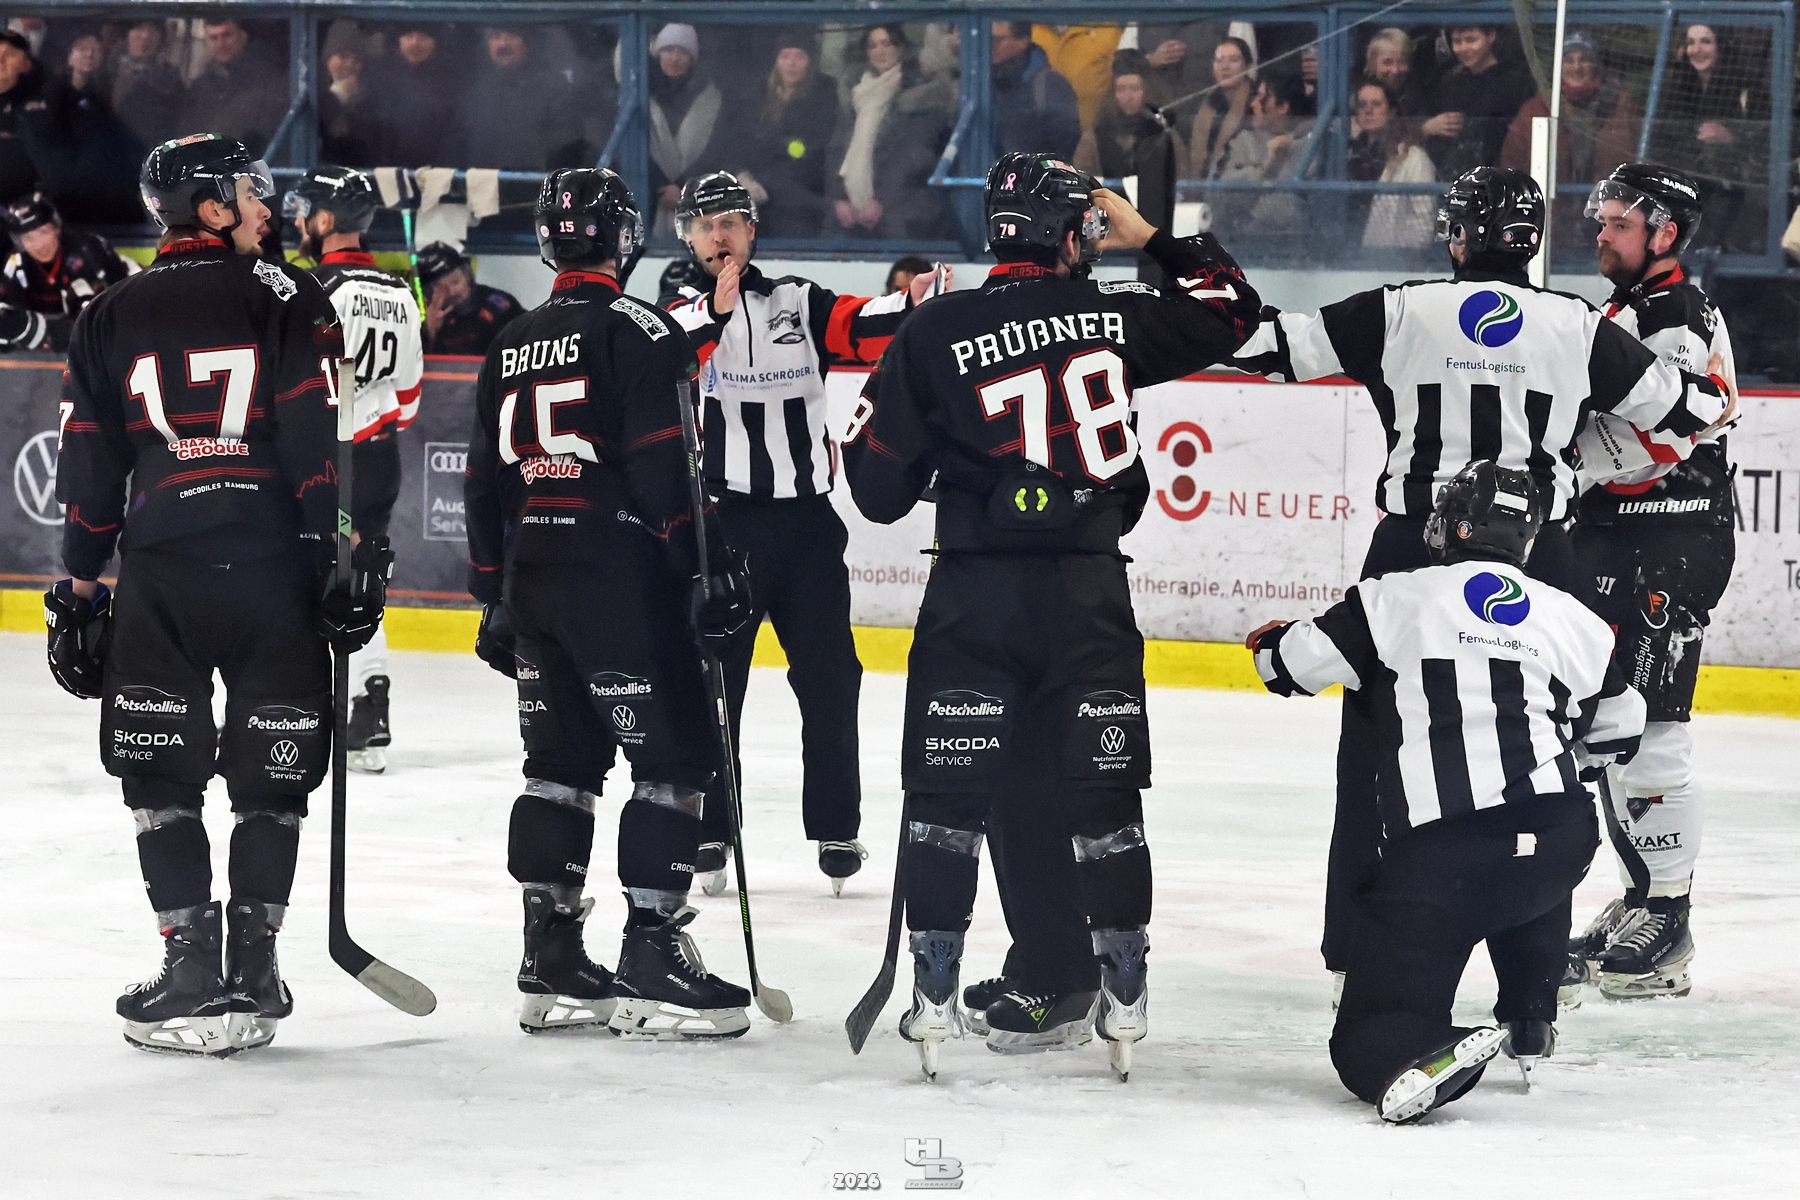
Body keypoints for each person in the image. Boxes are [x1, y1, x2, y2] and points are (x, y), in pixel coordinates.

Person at [1229, 165, 1734, 1002]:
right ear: (1532, 242)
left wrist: (1178, 276)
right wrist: (1572, 454)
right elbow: (1696, 411)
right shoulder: (1577, 324)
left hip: (1414, 551)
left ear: (1457, 237)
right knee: (1550, 753)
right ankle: (1532, 981)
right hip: (1540, 556)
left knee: (1378, 758)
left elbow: (1266, 347)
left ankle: (1361, 954)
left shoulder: (1401, 308)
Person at [841, 152, 1263, 1079]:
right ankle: (1118, 991)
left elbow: (874, 490)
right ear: (1075, 231)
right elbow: (1236, 308)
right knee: (1102, 793)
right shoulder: (1113, 313)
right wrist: (1153, 237)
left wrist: (942, 438)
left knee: (954, 795)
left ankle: (937, 995)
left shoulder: (937, 325)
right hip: (1087, 592)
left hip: (975, 596)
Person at [46, 134, 378, 1057]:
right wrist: (335, 557)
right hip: (272, 568)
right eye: (249, 191)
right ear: (210, 204)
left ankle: (189, 965)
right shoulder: (290, 292)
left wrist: (79, 588)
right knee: (275, 769)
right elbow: (318, 442)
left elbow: (89, 472)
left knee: (159, 770)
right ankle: (255, 968)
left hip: (164, 570)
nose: (266, 207)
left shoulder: (107, 311)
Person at [1246, 460, 1641, 1122]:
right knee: (1528, 861)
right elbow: (1624, 726)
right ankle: (1530, 1013)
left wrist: (1271, 643)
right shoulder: (1572, 616)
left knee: (1367, 1039)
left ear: (1450, 525)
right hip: (1562, 839)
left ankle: (1422, 1045)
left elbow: (1288, 668)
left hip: (1446, 857)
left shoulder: (1393, 598)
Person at [462, 167, 756, 1038]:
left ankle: (549, 952)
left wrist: (490, 593)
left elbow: (482, 481)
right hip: (616, 573)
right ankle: (653, 950)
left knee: (558, 765)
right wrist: (705, 568)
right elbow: (669, 466)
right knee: (674, 759)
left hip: (533, 574)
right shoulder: (641, 326)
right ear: (624, 239)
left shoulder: (511, 337)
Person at [664, 172, 945, 896]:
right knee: (716, 684)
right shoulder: (678, 313)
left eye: (731, 221)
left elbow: (863, 323)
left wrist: (910, 303)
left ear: (752, 231)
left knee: (830, 677)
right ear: (688, 238)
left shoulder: (797, 299)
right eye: (706, 225)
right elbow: (668, 366)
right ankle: (711, 830)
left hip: (809, 527)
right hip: (725, 528)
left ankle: (836, 825)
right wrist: (716, 315)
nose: (720, 235)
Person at [1565, 164, 1736, 1001]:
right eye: (1601, 220)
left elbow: (1657, 442)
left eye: (1620, 224)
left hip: (1673, 538)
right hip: (1621, 538)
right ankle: (1643, 894)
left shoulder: (1674, 316)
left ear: (1664, 234)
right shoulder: (1630, 309)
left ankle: (1669, 914)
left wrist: (1559, 465)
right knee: (1607, 726)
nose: (1602, 233)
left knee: (1654, 725)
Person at [287, 166, 424, 776]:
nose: (297, 221)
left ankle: (300, 711)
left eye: (305, 211)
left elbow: (294, 389)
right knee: (363, 575)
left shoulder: (314, 287)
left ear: (325, 220)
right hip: (380, 456)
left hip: (327, 459)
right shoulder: (400, 291)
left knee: (306, 578)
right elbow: (410, 399)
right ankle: (371, 709)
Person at [826, 25, 956, 242]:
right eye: (872, 46)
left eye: (886, 44)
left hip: (902, 217)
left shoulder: (923, 92)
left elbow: (916, 156)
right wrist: (838, 199)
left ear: (900, 48)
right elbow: (837, 151)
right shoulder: (854, 93)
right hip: (852, 218)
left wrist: (881, 201)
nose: (879, 51)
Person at [1647, 24, 1770, 253]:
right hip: (1688, 181)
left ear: (1721, 46)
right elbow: (1662, 137)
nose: (1696, 49)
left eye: (1705, 41)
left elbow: (1767, 139)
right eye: (1691, 42)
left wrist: (1732, 137)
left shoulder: (1748, 87)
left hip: (1737, 187)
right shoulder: (1677, 87)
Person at [0, 191, 137, 350]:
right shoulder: (16, 263)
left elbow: (98, 328)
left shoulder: (87, 252)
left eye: (43, 233)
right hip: (49, 349)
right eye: (28, 239)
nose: (39, 245)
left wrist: (41, 334)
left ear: (56, 228)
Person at [737, 30, 840, 241]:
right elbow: (743, 143)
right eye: (785, 56)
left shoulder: (823, 97)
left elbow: (806, 150)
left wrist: (784, 147)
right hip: (756, 206)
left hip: (800, 208)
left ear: (811, 62)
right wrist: (742, 174)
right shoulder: (759, 95)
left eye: (799, 56)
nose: (791, 63)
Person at [1500, 33, 1639, 186]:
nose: (1576, 67)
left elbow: (1637, 157)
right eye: (1568, 60)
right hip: (1551, 199)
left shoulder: (1620, 105)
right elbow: (1512, 161)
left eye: (1584, 59)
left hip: (1607, 198)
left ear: (1596, 65)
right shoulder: (1536, 109)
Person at [463, 25, 589, 172]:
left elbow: (567, 152)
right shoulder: (479, 90)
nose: (503, 44)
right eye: (495, 36)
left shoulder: (555, 90)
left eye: (512, 36)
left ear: (528, 42)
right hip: (482, 183)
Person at [1420, 25, 1537, 180]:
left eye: (1471, 40)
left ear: (1491, 36)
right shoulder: (1451, 83)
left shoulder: (1514, 82)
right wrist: (1429, 126)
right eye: (1457, 42)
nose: (1463, 48)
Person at [646, 24, 727, 235]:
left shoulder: (710, 98)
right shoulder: (641, 95)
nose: (675, 58)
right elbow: (634, 149)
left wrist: (683, 187)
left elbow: (716, 150)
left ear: (692, 58)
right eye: (668, 50)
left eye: (683, 51)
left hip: (699, 199)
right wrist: (661, 189)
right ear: (657, 54)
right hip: (649, 199)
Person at [1215, 73, 1313, 236]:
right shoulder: (1241, 141)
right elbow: (1220, 190)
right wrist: (1263, 168)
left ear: (1283, 107)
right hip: (1245, 238)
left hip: (1299, 241)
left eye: (1262, 98)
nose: (1253, 104)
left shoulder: (1310, 143)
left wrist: (1294, 141)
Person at [1074, 51, 1189, 181]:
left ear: (1147, 90)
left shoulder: (1166, 135)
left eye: (1135, 88)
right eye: (1121, 89)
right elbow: (1082, 180)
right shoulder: (1094, 137)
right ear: (1113, 92)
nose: (1128, 97)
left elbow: (1182, 181)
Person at [1347, 82, 1436, 249]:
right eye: (1362, 105)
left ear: (1392, 111)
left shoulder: (1413, 158)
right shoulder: (1349, 154)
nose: (1368, 111)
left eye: (1376, 104)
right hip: (1352, 251)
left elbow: (1424, 220)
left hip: (1392, 257)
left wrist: (1398, 251)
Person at [182, 20, 289, 154]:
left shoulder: (266, 82)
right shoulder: (200, 88)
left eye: (227, 35)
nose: (220, 44)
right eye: (213, 38)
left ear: (243, 36)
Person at [369, 21, 462, 168]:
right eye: (408, 35)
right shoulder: (378, 78)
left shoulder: (453, 81)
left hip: (438, 173)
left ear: (436, 41)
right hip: (386, 173)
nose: (415, 43)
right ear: (398, 40)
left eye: (424, 36)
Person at [990, 22, 1080, 160]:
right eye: (989, 39)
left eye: (998, 40)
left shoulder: (1051, 86)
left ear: (1023, 41)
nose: (992, 46)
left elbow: (1066, 145)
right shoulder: (978, 82)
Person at [415, 242, 521, 357]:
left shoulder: (498, 306)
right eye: (442, 289)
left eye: (455, 282)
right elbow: (414, 362)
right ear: (429, 293)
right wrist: (429, 331)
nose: (452, 292)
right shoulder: (421, 316)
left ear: (467, 275)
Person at [110, 19, 183, 151]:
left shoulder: (171, 78)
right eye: (139, 28)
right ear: (127, 35)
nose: (146, 36)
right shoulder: (107, 72)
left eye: (153, 30)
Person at [1189, 36, 1255, 180]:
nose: (1225, 67)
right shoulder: (1205, 102)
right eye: (1219, 60)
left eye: (1233, 60)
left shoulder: (1257, 102)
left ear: (1248, 65)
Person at [317, 22, 379, 166]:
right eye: (343, 56)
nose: (350, 64)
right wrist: (337, 95)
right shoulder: (309, 90)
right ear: (328, 60)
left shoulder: (372, 99)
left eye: (357, 60)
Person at [0, 29, 46, 204]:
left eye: (10, 54)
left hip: (25, 201)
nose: (1, 60)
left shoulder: (36, 105)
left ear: (26, 65)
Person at [1361, 28, 1427, 118]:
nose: (1395, 70)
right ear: (1373, 64)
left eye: (1402, 62)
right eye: (1387, 62)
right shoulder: (1362, 96)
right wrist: (1425, 126)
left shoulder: (1416, 93)